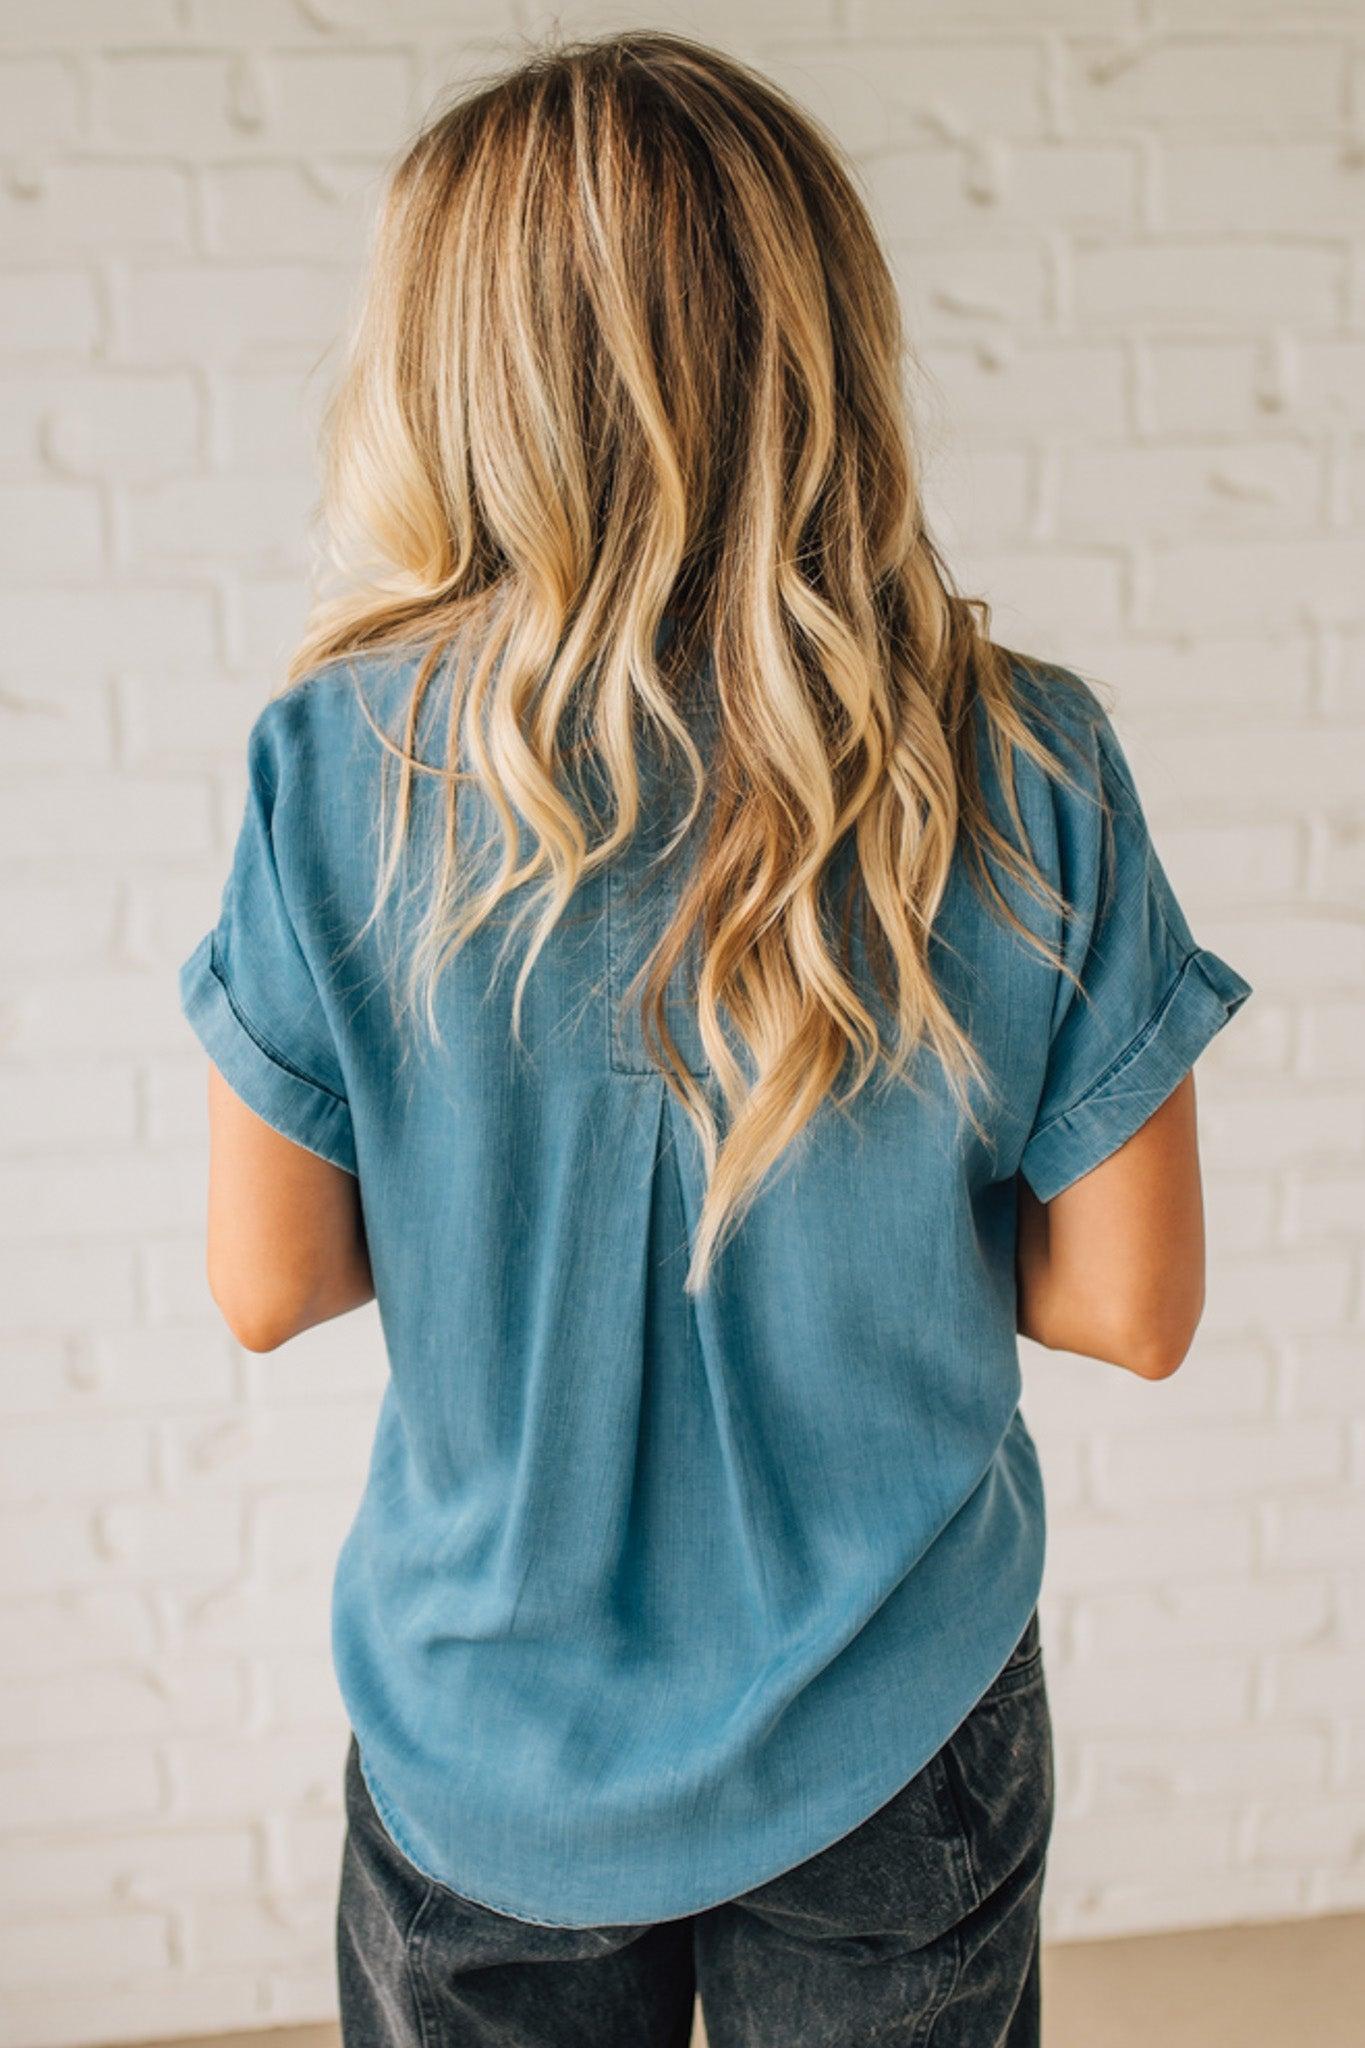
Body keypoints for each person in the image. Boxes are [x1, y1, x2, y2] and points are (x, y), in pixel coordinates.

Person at [177, 29, 1253, 2048]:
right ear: (821, 336)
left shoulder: (335, 767)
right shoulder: (1024, 761)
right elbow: (1130, 1304)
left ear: (449, 377)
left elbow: (269, 1282)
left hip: (486, 1726)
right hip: (887, 1703)